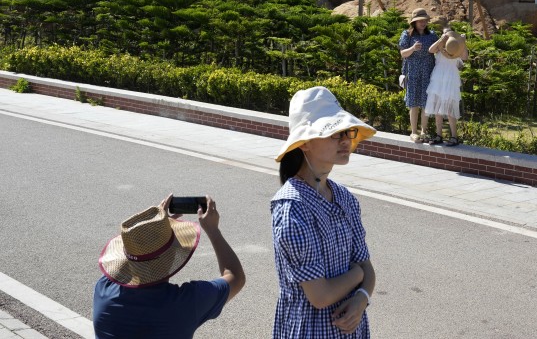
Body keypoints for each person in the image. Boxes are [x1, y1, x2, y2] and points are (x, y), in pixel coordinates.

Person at [271, 86, 377, 338]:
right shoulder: (292, 207)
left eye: (347, 132)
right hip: (309, 331)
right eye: (333, 133)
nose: (345, 141)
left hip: (352, 329)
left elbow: (368, 268)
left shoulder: (344, 197)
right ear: (305, 143)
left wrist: (361, 298)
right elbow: (320, 296)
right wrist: (357, 275)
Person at [93, 194, 245, 339]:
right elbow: (236, 276)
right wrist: (213, 230)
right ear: (172, 257)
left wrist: (151, 231)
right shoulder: (185, 303)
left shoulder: (103, 289)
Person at [398, 7, 438, 142]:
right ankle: (414, 132)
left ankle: (424, 131)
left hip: (428, 72)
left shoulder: (432, 35)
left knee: (426, 103)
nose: (423, 23)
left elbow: (439, 50)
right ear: (414, 22)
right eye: (420, 21)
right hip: (413, 72)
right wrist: (413, 48)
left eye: (425, 20)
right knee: (413, 103)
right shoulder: (407, 35)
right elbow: (403, 54)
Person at [425, 28, 468, 146]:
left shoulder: (456, 47)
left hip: (450, 79)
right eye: (444, 33)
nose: (446, 35)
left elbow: (465, 57)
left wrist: (462, 42)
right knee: (437, 108)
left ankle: (454, 136)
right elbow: (430, 50)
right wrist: (441, 39)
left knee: (450, 108)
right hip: (438, 77)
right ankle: (439, 135)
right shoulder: (440, 46)